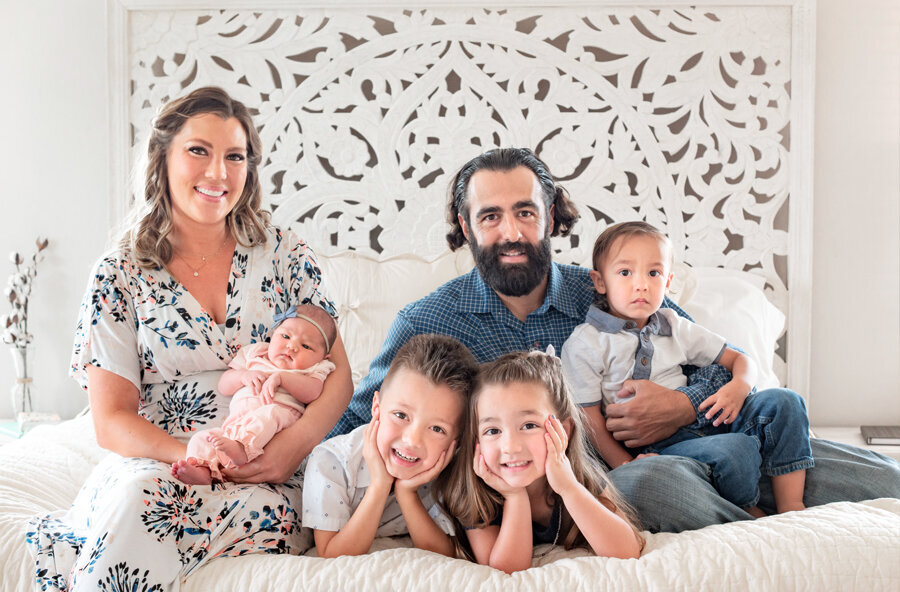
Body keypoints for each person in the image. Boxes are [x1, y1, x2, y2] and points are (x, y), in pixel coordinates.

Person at [330, 146, 900, 533]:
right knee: (645, 484)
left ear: (551, 217)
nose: (511, 232)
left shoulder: (606, 290)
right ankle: (762, 525)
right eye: (491, 216)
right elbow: (359, 421)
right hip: (596, 488)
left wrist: (678, 404)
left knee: (798, 442)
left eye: (526, 212)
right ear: (465, 223)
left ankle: (777, 496)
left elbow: (712, 360)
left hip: (692, 444)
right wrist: (275, 434)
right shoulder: (427, 322)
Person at [25, 87, 353, 592]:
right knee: (140, 500)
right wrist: (191, 452)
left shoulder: (286, 254)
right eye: (199, 150)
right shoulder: (118, 275)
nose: (218, 173)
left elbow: (338, 377)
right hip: (159, 462)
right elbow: (111, 421)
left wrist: (292, 447)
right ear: (163, 158)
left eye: (234, 157)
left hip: (269, 473)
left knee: (146, 514)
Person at [562, 222, 812, 515]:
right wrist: (624, 464)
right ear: (600, 281)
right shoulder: (587, 342)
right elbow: (587, 419)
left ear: (667, 283)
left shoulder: (673, 325)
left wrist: (739, 386)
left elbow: (739, 359)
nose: (641, 284)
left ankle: (792, 508)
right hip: (658, 447)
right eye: (625, 272)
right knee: (736, 450)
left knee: (787, 402)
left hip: (713, 417)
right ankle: (748, 512)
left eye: (653, 273)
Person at [437, 351, 643, 573]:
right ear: (476, 441)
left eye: (528, 426)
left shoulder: (579, 477)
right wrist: (515, 497)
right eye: (493, 430)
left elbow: (626, 551)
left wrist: (569, 488)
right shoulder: (472, 493)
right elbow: (505, 569)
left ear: (562, 431)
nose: (510, 446)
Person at [303, 334, 477, 558]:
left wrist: (407, 494)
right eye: (401, 415)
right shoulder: (331, 461)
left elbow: (444, 556)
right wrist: (379, 485)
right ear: (377, 407)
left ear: (458, 441)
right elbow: (332, 554)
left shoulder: (448, 473)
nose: (412, 440)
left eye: (436, 429)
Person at [174, 304, 338, 484]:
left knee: (269, 414)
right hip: (235, 426)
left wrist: (282, 378)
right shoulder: (256, 353)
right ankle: (203, 471)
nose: (291, 346)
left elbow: (313, 392)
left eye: (306, 346)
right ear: (273, 334)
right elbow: (224, 385)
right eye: (285, 336)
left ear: (324, 357)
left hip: (278, 427)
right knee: (202, 439)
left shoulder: (316, 368)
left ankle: (242, 449)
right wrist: (243, 376)